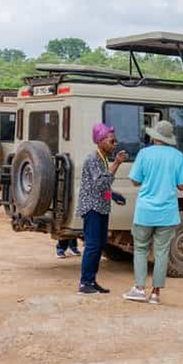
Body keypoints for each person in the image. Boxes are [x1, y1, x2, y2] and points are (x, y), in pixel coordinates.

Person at [123, 120, 183, 305]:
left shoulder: (144, 154)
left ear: (154, 137)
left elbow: (135, 180)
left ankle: (138, 288)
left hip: (145, 211)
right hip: (167, 213)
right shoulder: (178, 157)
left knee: (141, 249)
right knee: (161, 252)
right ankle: (155, 294)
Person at [76, 123, 127, 294]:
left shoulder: (102, 159)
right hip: (92, 209)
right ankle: (85, 283)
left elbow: (101, 188)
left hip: (100, 208)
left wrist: (113, 196)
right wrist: (117, 164)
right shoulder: (93, 159)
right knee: (92, 245)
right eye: (112, 141)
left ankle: (91, 280)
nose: (115, 144)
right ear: (100, 141)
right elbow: (100, 183)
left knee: (99, 245)